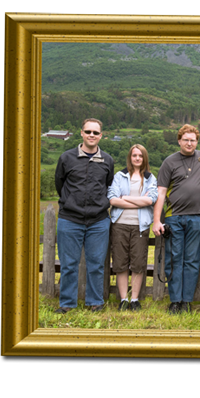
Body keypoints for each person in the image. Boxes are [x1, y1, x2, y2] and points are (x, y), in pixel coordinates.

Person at [53, 118, 115, 314]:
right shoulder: (66, 158)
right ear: (81, 133)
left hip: (98, 220)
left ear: (100, 136)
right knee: (69, 264)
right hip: (70, 219)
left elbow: (108, 184)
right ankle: (67, 304)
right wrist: (71, 202)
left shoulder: (107, 160)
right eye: (88, 131)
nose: (91, 135)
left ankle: (95, 303)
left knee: (96, 264)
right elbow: (59, 184)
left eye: (95, 133)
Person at [151, 124, 200, 314]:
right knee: (175, 259)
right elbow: (160, 193)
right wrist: (156, 220)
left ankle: (187, 301)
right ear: (179, 141)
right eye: (186, 140)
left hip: (196, 218)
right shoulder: (169, 162)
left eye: (193, 140)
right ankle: (175, 301)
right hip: (174, 217)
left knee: (192, 260)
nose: (189, 143)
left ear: (197, 141)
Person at [108, 144, 158, 311]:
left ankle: (134, 299)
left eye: (141, 156)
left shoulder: (151, 178)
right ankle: (123, 299)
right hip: (120, 225)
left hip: (140, 226)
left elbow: (150, 200)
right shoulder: (119, 176)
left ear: (145, 158)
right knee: (121, 263)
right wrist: (138, 202)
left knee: (138, 263)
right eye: (134, 155)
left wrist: (126, 198)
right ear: (130, 157)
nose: (137, 158)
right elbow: (113, 200)